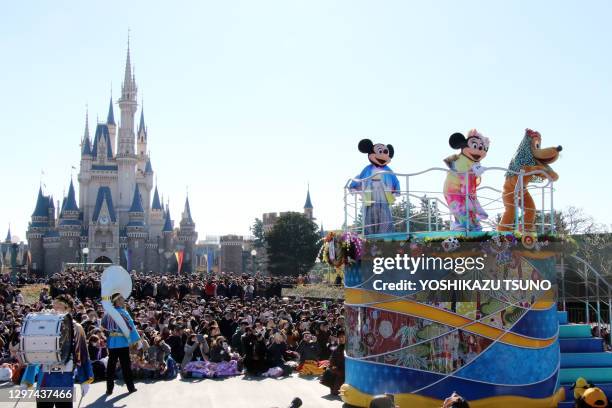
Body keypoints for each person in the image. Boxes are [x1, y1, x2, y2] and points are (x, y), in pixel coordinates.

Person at [21, 294, 94, 408]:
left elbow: (82, 353)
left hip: (64, 375)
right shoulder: (45, 324)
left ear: (68, 309)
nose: (55, 308)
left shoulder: (76, 327)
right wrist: (27, 379)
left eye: (59, 306)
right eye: (54, 305)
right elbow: (36, 352)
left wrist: (84, 379)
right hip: (45, 376)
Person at [101, 293, 140, 395]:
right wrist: (136, 340)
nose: (123, 300)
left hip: (112, 342)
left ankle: (109, 389)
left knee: (111, 366)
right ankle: (130, 388)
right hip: (122, 342)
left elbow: (103, 325)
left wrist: (110, 333)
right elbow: (131, 327)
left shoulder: (108, 313)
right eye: (122, 299)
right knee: (126, 366)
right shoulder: (123, 312)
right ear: (117, 301)